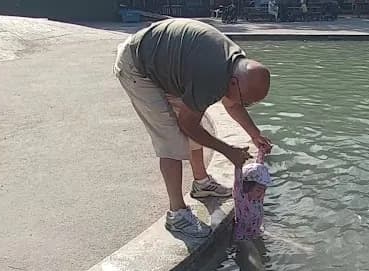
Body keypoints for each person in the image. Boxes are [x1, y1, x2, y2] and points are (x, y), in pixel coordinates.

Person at [113, 19, 272, 239]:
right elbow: (188, 125)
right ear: (234, 83)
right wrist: (228, 150)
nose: (246, 106)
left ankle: (201, 183)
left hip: (164, 65)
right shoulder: (211, 77)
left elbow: (233, 103)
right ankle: (177, 215)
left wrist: (255, 135)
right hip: (138, 68)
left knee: (194, 125)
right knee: (172, 141)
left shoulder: (236, 65)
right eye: (247, 102)